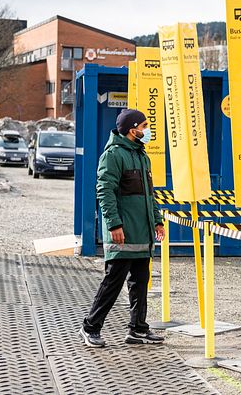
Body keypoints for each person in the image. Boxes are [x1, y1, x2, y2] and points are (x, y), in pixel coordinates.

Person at [80, 108, 165, 348]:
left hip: (141, 233)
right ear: (132, 130)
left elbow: (150, 195)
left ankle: (137, 329)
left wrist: (157, 220)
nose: (147, 130)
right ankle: (90, 327)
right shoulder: (113, 155)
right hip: (122, 232)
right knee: (113, 282)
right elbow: (104, 191)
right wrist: (114, 224)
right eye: (145, 126)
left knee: (140, 280)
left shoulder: (141, 155)